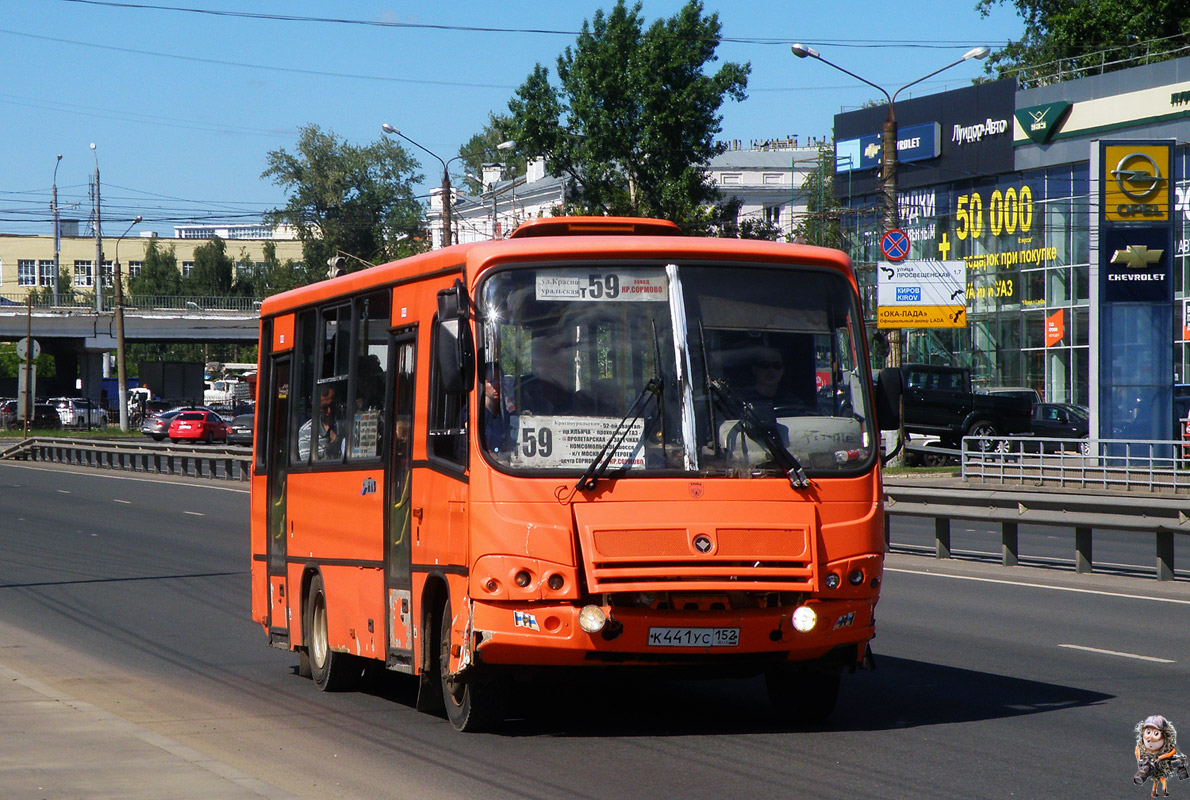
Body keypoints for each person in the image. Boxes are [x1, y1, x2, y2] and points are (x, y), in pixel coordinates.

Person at [297, 385, 342, 461]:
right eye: (324, 408)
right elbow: (307, 467)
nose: (329, 411)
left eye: (332, 405)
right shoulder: (306, 431)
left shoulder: (347, 425)